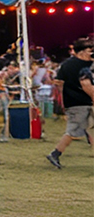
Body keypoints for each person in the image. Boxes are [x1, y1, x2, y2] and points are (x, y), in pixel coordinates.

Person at [46, 37, 94, 169]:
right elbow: (85, 85)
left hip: (79, 102)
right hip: (78, 103)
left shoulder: (68, 64)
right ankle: (55, 154)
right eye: (90, 50)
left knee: (89, 129)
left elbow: (58, 82)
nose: (92, 52)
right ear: (82, 51)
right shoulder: (77, 65)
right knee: (73, 131)